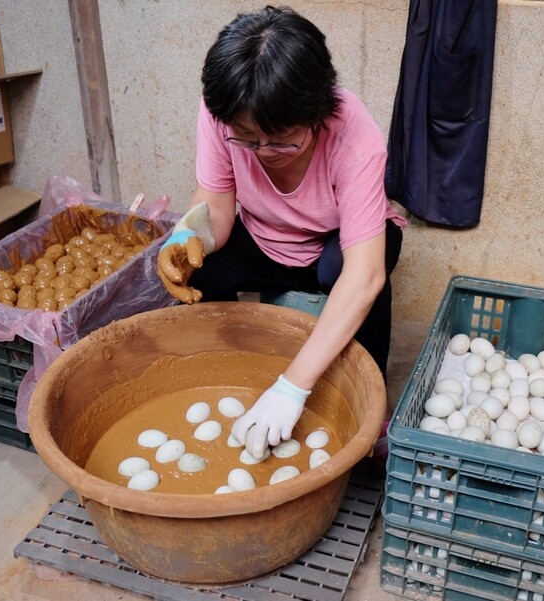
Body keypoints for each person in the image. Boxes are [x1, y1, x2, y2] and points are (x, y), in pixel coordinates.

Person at [158, 5, 406, 459]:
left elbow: (364, 272)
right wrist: (185, 239)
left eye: (282, 138)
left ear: (317, 110)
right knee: (200, 271)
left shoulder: (352, 131)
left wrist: (292, 388)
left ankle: (369, 410)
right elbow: (214, 204)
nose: (264, 151)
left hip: (337, 246)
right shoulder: (224, 109)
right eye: (248, 139)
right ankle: (226, 376)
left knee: (354, 279)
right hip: (263, 236)